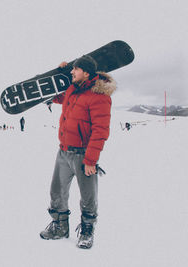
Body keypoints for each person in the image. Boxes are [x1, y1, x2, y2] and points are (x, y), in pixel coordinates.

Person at [40, 55, 116, 249]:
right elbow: (57, 96)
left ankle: (87, 231)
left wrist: (91, 160)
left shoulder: (100, 97)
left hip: (83, 155)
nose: (73, 72)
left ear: (86, 73)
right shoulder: (72, 90)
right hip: (64, 151)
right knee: (57, 191)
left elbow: (100, 131)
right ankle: (60, 226)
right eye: (72, 69)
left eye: (75, 69)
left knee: (88, 196)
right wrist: (60, 73)